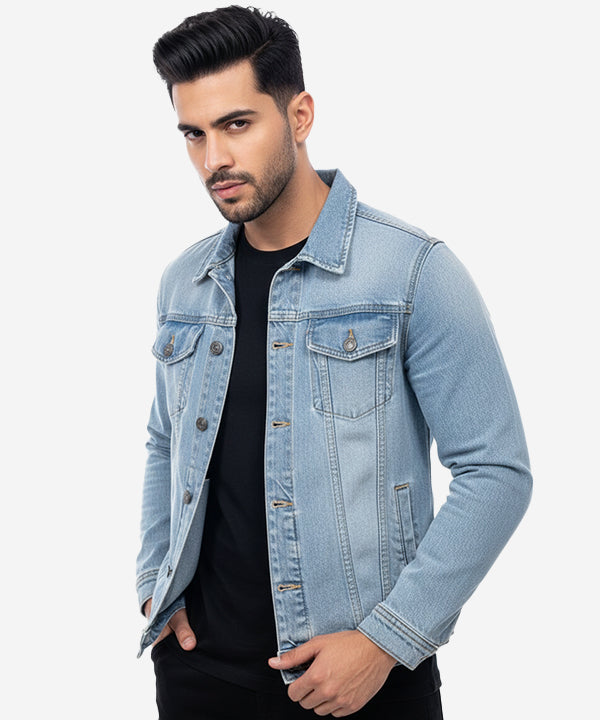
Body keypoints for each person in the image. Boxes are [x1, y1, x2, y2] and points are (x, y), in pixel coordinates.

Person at [136, 6, 532, 719]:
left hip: (361, 684)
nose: (212, 159)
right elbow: (166, 442)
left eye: (236, 124)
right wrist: (153, 585)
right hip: (199, 676)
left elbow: (496, 471)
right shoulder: (185, 283)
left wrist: (387, 641)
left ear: (300, 115)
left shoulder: (412, 271)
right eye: (193, 133)